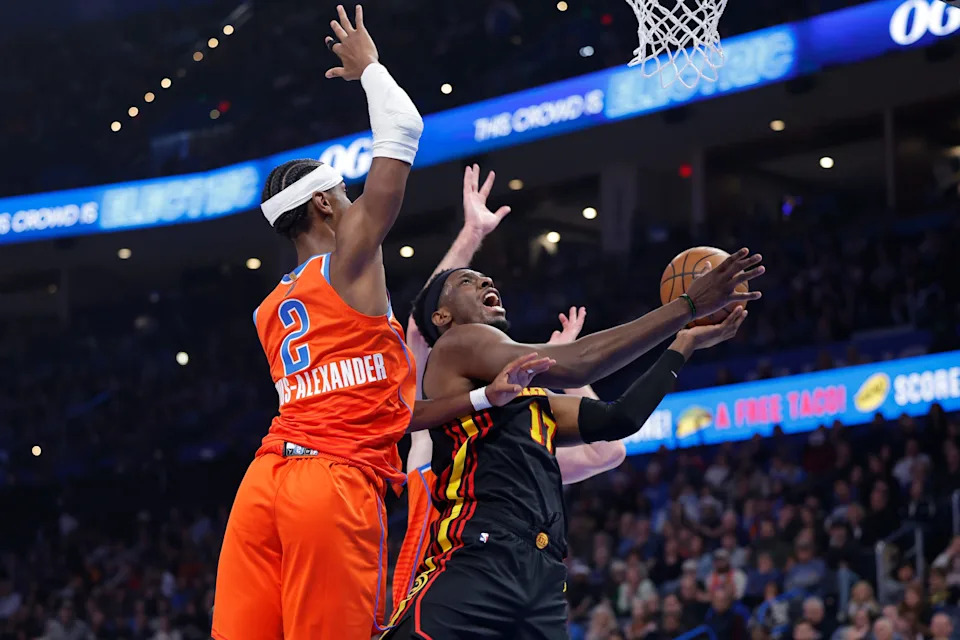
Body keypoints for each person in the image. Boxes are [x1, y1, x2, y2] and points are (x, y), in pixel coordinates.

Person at [211, 8, 551, 639]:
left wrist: (479, 396)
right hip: (330, 485)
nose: (353, 203)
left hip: (263, 485)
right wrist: (370, 69)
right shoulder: (350, 260)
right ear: (322, 204)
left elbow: (384, 411)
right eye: (344, 194)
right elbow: (404, 129)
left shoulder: (271, 311)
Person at [383, 248, 763, 638]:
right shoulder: (456, 344)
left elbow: (621, 418)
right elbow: (580, 361)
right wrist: (687, 305)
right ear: (441, 317)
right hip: (477, 557)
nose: (485, 281)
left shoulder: (533, 402)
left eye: (485, 277)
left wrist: (684, 346)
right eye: (466, 280)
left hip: (542, 578)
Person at [390, 165, 627, 607]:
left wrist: (562, 373)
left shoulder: (521, 434)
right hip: (442, 590)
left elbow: (607, 451)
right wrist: (472, 233)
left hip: (513, 589)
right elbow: (421, 328)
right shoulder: (438, 419)